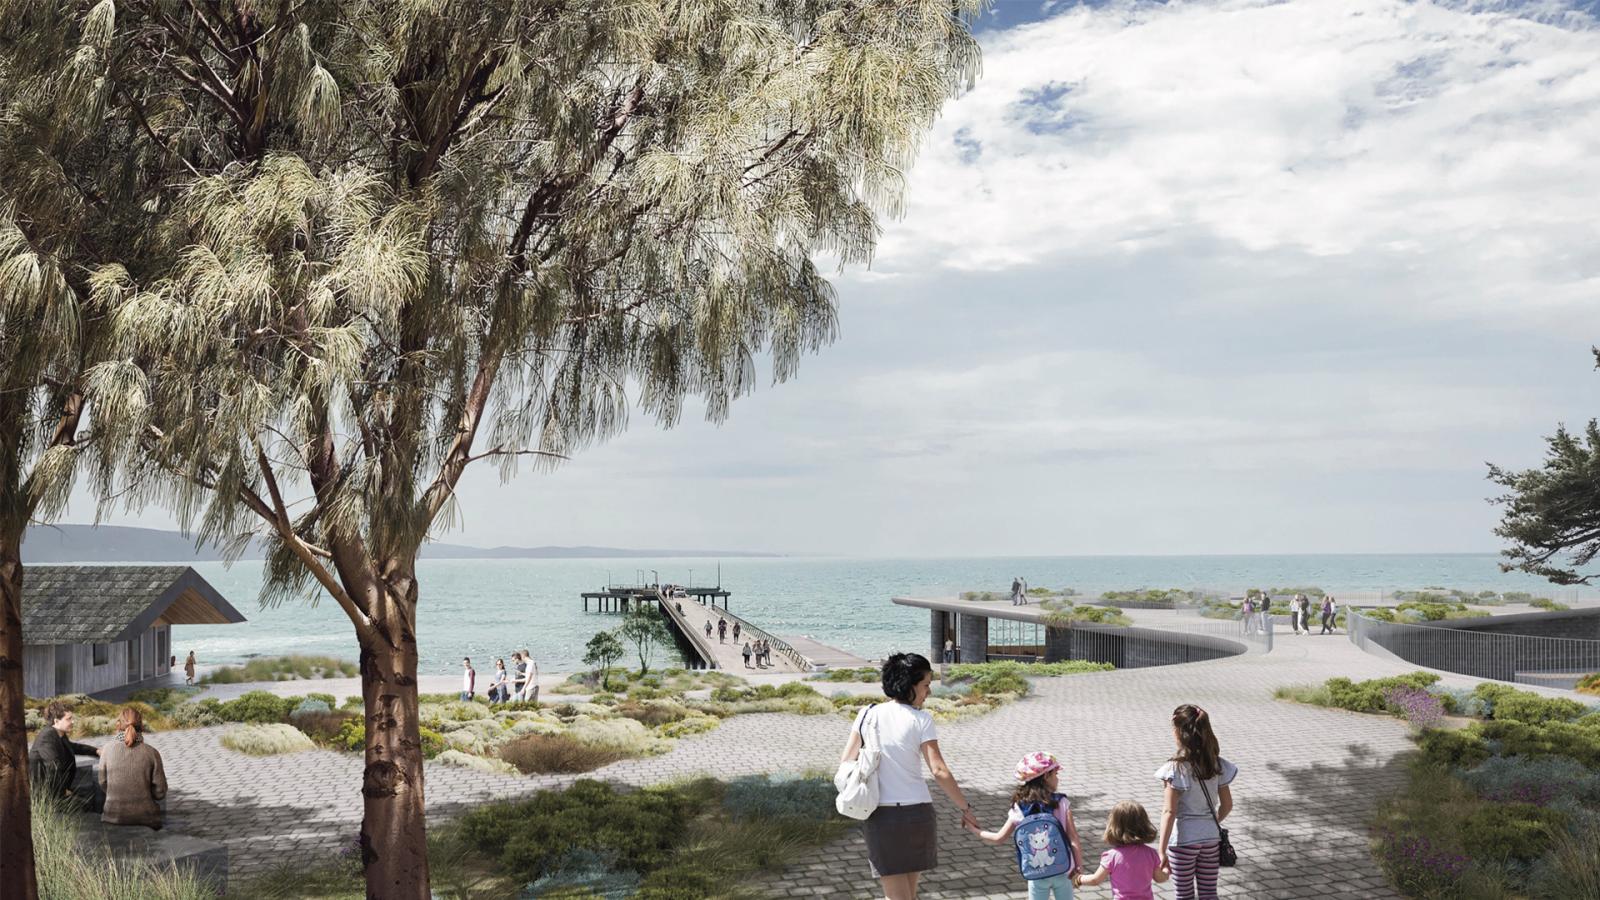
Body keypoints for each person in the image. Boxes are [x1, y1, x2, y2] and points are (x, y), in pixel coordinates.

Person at [840, 652, 978, 900]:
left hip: (881, 815)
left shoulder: (867, 715)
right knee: (908, 896)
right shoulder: (922, 719)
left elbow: (846, 762)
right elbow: (939, 771)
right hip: (918, 815)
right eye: (926, 685)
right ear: (909, 684)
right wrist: (964, 807)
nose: (929, 692)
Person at [965, 751, 1083, 900]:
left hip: (1036, 873)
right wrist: (1078, 868)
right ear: (1046, 776)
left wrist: (973, 829)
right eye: (1055, 774)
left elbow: (998, 838)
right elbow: (1073, 839)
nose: (1057, 779)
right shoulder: (1062, 802)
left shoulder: (1020, 806)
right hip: (1064, 869)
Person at [1156, 705, 1236, 900]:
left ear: (1178, 732)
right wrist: (1210, 820)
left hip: (1183, 839)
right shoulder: (1216, 764)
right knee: (1209, 893)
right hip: (1210, 838)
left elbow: (1169, 811)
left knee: (1184, 894)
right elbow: (1227, 805)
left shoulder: (1175, 769)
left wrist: (1161, 849)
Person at [1071, 801, 1169, 899]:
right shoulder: (1150, 854)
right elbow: (1160, 878)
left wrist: (1078, 878)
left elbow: (1095, 880)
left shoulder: (1111, 856)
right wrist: (1166, 870)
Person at [99, 707, 167, 829]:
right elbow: (160, 792)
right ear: (141, 726)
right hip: (146, 818)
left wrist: (118, 794)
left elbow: (103, 783)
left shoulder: (107, 750)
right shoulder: (152, 752)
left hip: (112, 816)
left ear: (118, 725)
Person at [28, 701, 103, 808]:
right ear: (56, 721)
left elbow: (72, 747)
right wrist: (62, 791)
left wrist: (96, 751)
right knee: (88, 806)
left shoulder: (58, 734)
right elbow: (53, 766)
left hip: (56, 790)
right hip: (46, 797)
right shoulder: (47, 736)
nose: (72, 722)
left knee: (92, 798)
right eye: (68, 719)